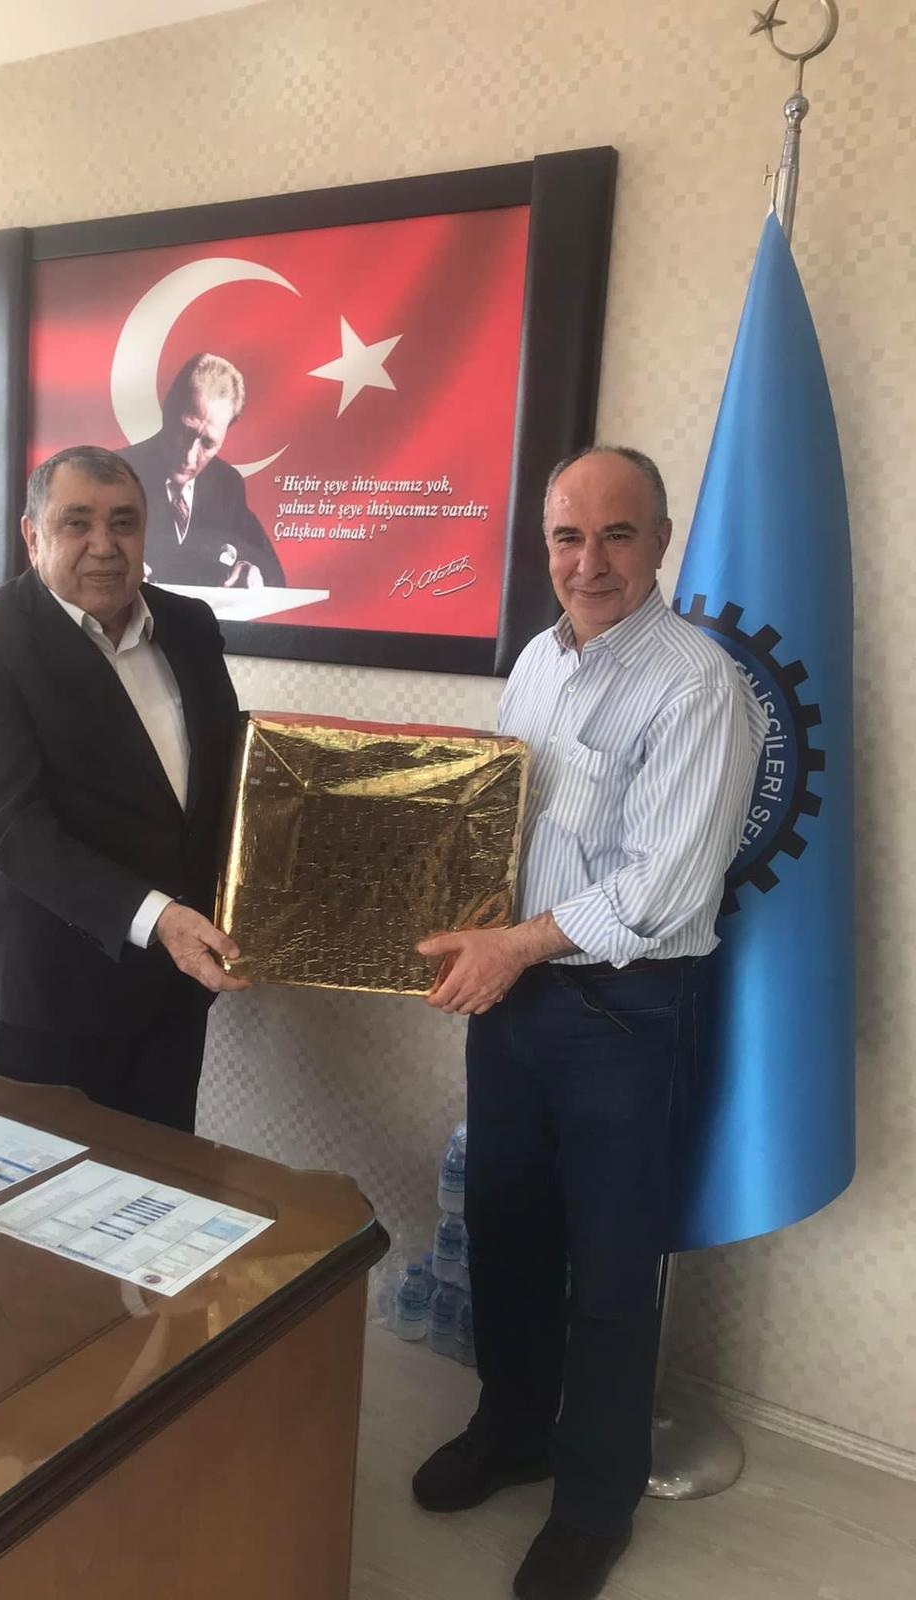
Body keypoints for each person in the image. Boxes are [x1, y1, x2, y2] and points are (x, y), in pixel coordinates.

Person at [413, 446, 766, 1600]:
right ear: (546, 544)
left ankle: (593, 1501)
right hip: (514, 1000)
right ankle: (513, 1429)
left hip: (622, 1012)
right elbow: (504, 823)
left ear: (659, 540)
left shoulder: (698, 684)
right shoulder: (537, 661)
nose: (591, 561)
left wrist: (512, 944)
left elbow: (663, 887)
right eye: (569, 536)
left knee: (611, 1269)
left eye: (618, 534)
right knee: (506, 1230)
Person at [0, 445, 248, 1134]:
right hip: (47, 996)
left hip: (173, 991)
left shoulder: (189, 626)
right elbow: (12, 830)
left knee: (163, 1182)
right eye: (77, 523)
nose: (104, 546)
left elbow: (228, 782)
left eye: (123, 523)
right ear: (32, 534)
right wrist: (159, 919)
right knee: (43, 1196)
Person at [121, 353, 286, 589]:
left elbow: (273, 572)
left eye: (208, 443)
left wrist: (252, 569)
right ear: (168, 411)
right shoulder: (115, 473)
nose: (189, 456)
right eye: (185, 433)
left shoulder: (226, 484)